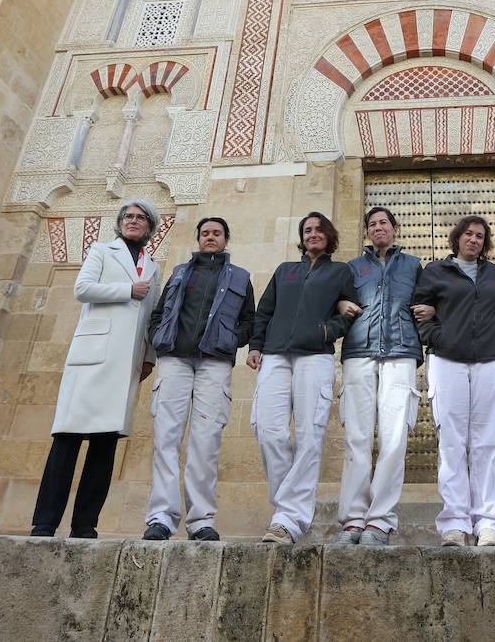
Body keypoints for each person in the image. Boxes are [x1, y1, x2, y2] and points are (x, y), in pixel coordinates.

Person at [31, 200, 162, 538]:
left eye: (140, 218)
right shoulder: (102, 251)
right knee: (68, 437)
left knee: (106, 442)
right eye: (128, 217)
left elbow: (151, 315)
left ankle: (85, 524)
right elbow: (83, 289)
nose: (133, 222)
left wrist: (148, 356)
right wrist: (126, 290)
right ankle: (45, 522)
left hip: (126, 362)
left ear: (150, 227)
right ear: (120, 224)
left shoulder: (153, 266)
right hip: (93, 355)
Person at [142, 217, 255, 542]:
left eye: (216, 233)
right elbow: (160, 312)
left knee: (205, 442)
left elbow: (249, 318)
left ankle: (200, 520)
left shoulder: (240, 277)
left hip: (214, 363)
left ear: (225, 239)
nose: (210, 238)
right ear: (199, 238)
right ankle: (161, 518)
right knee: (166, 438)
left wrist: (232, 340)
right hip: (175, 360)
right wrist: (158, 337)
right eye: (205, 233)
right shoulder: (180, 272)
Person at [247, 211, 358, 544]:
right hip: (276, 355)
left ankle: (288, 520)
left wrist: (328, 330)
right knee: (269, 431)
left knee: (309, 435)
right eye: (307, 230)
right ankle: (287, 509)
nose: (313, 234)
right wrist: (255, 346)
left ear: (329, 235)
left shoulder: (341, 271)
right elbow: (265, 310)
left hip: (315, 357)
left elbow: (352, 311)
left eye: (319, 229)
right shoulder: (285, 271)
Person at [332, 207, 434, 547]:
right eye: (373, 224)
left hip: (401, 352)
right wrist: (340, 306)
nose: (379, 229)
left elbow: (429, 299)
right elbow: (334, 299)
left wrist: (431, 311)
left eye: (384, 223)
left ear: (395, 228)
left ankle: (380, 521)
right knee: (357, 438)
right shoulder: (353, 268)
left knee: (394, 439)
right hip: (359, 351)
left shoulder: (412, 266)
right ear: (367, 231)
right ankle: (353, 520)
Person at [412, 215, 495, 548]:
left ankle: (487, 523)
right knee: (452, 441)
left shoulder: (494, 274)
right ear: (457, 238)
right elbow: (420, 311)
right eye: (469, 234)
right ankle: (454, 522)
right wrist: (439, 335)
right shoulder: (436, 272)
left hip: (490, 361)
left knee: (487, 442)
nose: (474, 240)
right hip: (447, 360)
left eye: (481, 236)